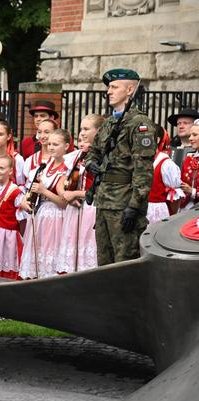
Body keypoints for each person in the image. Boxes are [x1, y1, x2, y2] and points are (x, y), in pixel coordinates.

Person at [84, 69, 156, 265]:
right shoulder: (109, 123)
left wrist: (134, 206)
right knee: (104, 261)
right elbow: (93, 152)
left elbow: (143, 171)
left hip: (124, 203)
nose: (109, 91)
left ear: (130, 89)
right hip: (104, 202)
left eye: (114, 87)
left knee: (125, 261)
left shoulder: (140, 124)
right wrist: (91, 164)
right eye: (109, 87)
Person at [56, 114, 104, 273]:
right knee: (72, 248)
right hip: (75, 209)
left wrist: (75, 194)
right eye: (81, 128)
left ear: (98, 131)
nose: (82, 133)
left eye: (86, 129)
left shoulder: (103, 156)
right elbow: (61, 181)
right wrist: (65, 194)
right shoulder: (76, 155)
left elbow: (101, 189)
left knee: (88, 247)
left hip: (91, 208)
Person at [19, 129, 69, 279]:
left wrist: (44, 191)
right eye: (50, 144)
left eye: (56, 144)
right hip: (41, 215)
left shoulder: (68, 169)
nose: (51, 147)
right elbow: (30, 191)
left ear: (66, 146)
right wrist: (24, 201)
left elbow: (65, 202)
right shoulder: (43, 167)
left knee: (52, 253)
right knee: (37, 254)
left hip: (58, 216)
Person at [146, 126, 183, 224]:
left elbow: (176, 195)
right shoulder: (138, 159)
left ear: (157, 140)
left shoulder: (165, 163)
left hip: (156, 212)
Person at [22, 119, 58, 187]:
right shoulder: (31, 160)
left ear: (55, 133)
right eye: (39, 132)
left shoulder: (61, 159)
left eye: (46, 132)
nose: (42, 136)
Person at [180, 119, 199, 210]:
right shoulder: (188, 160)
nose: (190, 138)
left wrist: (192, 191)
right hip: (185, 211)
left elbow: (190, 190)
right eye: (191, 135)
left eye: (194, 135)